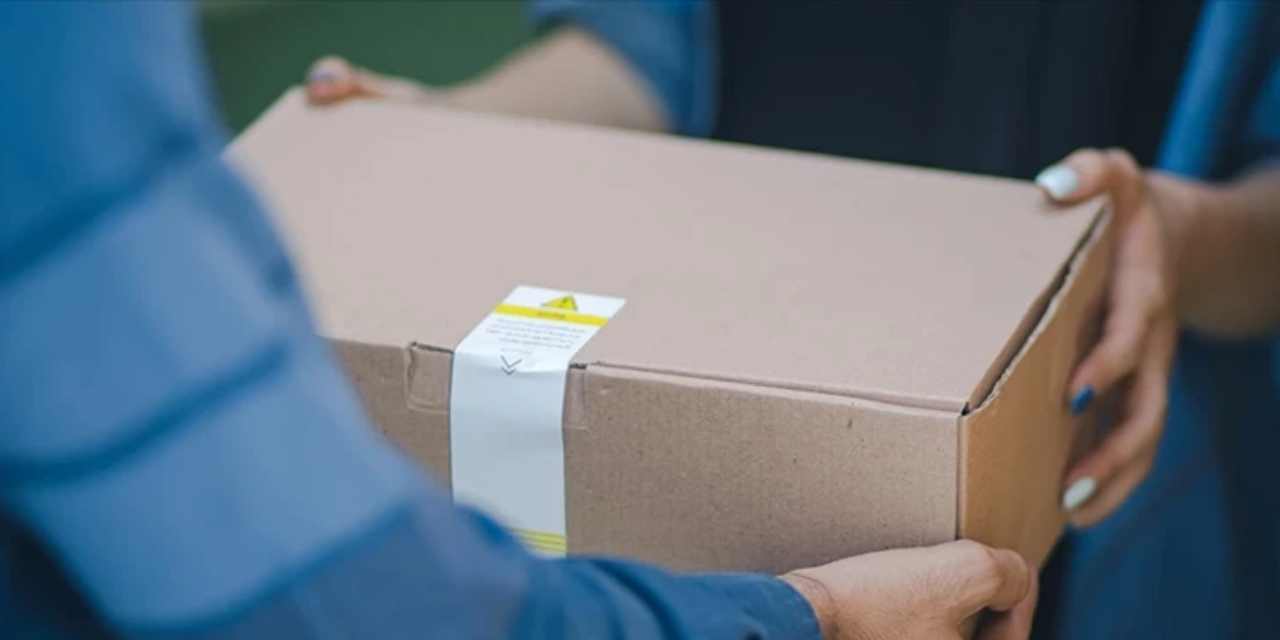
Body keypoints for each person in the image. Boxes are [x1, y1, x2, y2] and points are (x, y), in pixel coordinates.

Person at [1, 3, 1042, 639]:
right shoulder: (55, 92)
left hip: (979, 297)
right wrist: (817, 619)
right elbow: (366, 609)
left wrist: (437, 134)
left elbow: (636, 46)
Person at [304, 1, 1280, 636]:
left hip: (1116, 491)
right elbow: (639, 45)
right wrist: (445, 131)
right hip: (711, 432)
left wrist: (1177, 237)